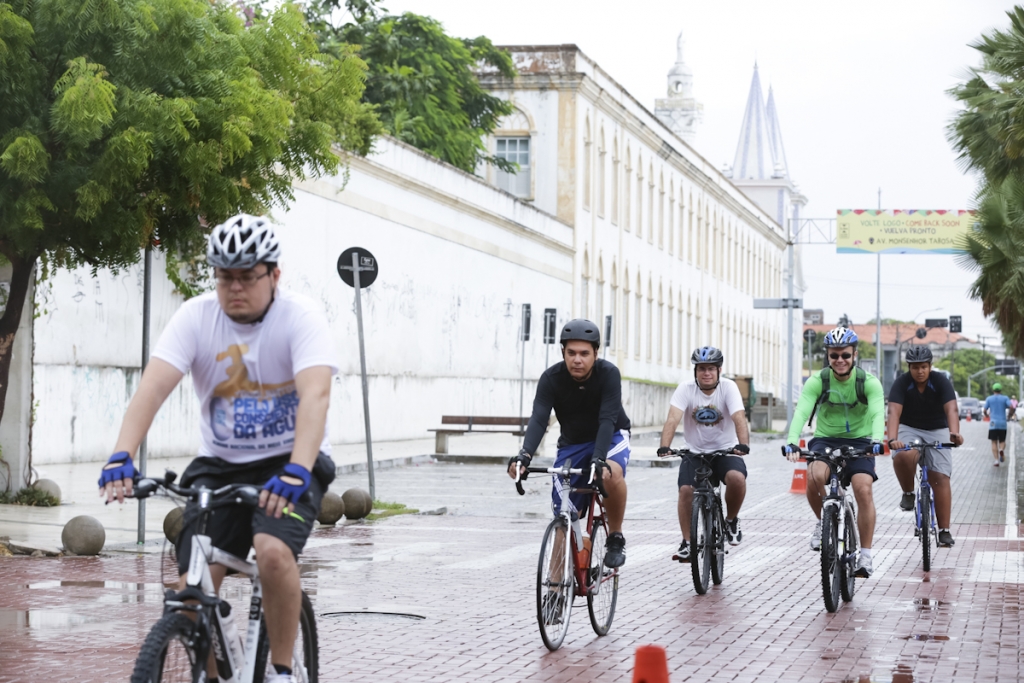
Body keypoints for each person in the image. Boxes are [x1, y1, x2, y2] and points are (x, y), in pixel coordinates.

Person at [98, 214, 337, 683]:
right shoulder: (196, 317)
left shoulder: (301, 317)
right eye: (225, 276)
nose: (235, 287)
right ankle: (212, 673)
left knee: (270, 552)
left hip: (291, 463)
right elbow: (152, 388)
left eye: (247, 276)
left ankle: (283, 670)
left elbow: (317, 396)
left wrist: (297, 470)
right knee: (191, 590)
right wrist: (120, 454)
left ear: (274, 275)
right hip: (221, 465)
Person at [508, 319, 631, 569]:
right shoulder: (551, 378)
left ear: (596, 354)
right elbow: (539, 419)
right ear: (563, 352)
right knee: (564, 515)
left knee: (609, 473)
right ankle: (554, 590)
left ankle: (616, 535)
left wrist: (598, 458)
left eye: (584, 353)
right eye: (571, 353)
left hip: (611, 437)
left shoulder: (608, 374)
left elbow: (607, 419)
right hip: (572, 444)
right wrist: (524, 455)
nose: (577, 359)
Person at [785, 326, 885, 578]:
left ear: (854, 355)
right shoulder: (818, 381)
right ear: (827, 356)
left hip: (861, 441)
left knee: (863, 488)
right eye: (834, 355)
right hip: (826, 439)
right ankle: (824, 519)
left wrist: (876, 440)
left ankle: (866, 556)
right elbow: (802, 411)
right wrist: (791, 441)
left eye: (845, 355)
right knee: (815, 475)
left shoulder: (868, 382)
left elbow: (877, 413)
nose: (840, 360)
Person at [658, 346, 749, 562]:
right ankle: (687, 542)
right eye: (701, 369)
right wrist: (664, 446)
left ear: (719, 370)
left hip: (726, 450)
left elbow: (738, 417)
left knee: (737, 479)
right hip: (695, 452)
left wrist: (743, 444)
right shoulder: (685, 388)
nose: (706, 373)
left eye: (710, 369)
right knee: (686, 490)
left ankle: (731, 520)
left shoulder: (729, 388)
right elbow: (673, 418)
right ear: (695, 371)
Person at [887, 346, 964, 547]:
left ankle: (944, 530)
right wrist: (893, 439)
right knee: (904, 455)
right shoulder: (902, 383)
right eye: (915, 367)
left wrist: (954, 433)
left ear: (930, 366)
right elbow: (894, 412)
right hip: (909, 427)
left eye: (923, 367)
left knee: (940, 476)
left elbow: (952, 409)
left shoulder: (940, 381)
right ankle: (908, 493)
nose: (919, 371)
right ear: (909, 368)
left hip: (937, 428)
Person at [983, 383, 1015, 465]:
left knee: (994, 442)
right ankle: (1001, 449)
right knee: (1002, 440)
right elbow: (1012, 407)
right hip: (1002, 423)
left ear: (993, 390)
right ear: (1001, 390)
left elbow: (984, 410)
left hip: (993, 423)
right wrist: (1010, 415)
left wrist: (987, 415)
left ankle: (996, 460)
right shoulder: (1005, 398)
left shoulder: (989, 399)